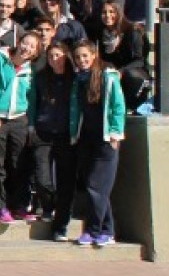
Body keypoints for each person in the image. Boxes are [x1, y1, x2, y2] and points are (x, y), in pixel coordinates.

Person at [69, 41, 126, 248]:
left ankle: (92, 231)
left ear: (94, 55)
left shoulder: (108, 77)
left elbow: (117, 106)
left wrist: (115, 134)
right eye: (77, 57)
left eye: (85, 56)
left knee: (95, 186)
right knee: (98, 189)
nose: (82, 60)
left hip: (106, 140)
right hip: (87, 139)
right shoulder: (79, 80)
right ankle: (108, 231)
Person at [0, 32, 39, 223]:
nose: (27, 48)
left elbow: (31, 99)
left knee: (19, 164)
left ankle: (19, 205)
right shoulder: (0, 58)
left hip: (19, 120)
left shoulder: (30, 69)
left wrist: (30, 124)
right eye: (26, 43)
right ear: (19, 42)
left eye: (32, 47)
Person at [27, 40, 76, 241]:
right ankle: (48, 205)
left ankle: (60, 226)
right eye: (51, 56)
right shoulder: (40, 77)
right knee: (42, 177)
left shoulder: (74, 78)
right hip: (43, 132)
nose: (55, 60)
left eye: (58, 56)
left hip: (67, 134)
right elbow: (33, 102)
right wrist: (32, 125)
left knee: (66, 182)